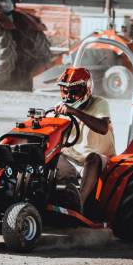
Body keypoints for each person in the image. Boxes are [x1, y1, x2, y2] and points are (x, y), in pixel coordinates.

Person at [54, 67, 116, 214]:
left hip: (100, 161)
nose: (69, 95)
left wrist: (75, 112)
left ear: (87, 89)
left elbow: (102, 127)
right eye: (65, 91)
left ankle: (79, 204)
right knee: (49, 156)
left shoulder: (100, 103)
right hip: (72, 159)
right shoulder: (61, 109)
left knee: (92, 158)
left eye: (74, 92)